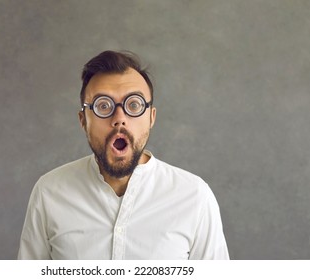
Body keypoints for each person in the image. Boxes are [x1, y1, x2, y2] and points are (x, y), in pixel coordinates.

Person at [17, 50, 229, 260]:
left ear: (151, 117)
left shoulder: (194, 196)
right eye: (103, 106)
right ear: (83, 120)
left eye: (134, 105)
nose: (119, 119)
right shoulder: (49, 192)